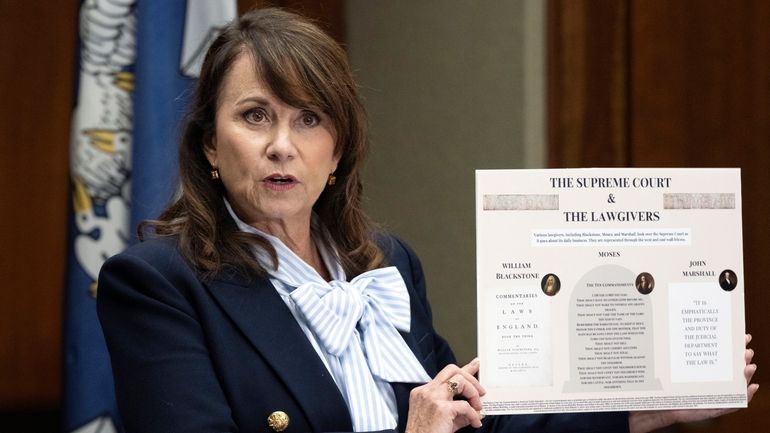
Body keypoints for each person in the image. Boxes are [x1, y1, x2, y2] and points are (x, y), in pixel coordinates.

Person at [97, 8, 758, 433]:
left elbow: (476, 423)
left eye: (309, 118)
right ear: (211, 145)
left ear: (339, 150)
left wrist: (653, 403)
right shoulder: (156, 282)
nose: (281, 145)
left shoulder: (386, 263)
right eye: (254, 116)